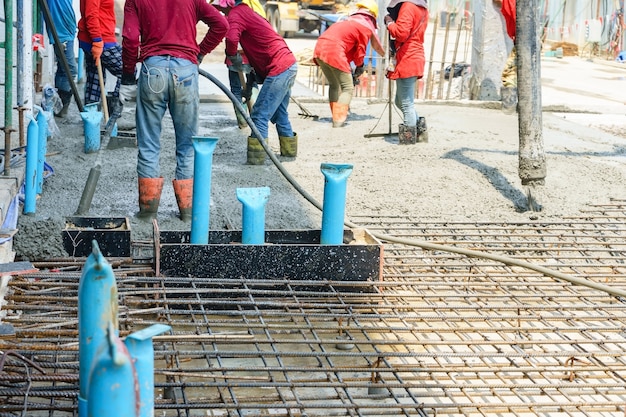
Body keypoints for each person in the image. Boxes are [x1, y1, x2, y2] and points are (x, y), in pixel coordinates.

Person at [121, 0, 228, 221]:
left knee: (149, 143)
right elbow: (221, 24)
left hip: (153, 71)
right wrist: (200, 53)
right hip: (185, 70)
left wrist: (128, 75)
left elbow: (131, 38)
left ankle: (148, 213)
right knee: (188, 145)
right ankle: (188, 215)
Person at [216, 0, 298, 165]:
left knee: (259, 114)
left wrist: (231, 55)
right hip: (288, 64)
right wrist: (251, 81)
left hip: (280, 67)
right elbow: (257, 54)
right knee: (279, 114)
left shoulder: (236, 13)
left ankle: (256, 160)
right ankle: (289, 153)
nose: (220, 12)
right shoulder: (246, 12)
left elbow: (232, 39)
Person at [313, 0, 384, 128]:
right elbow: (360, 51)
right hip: (334, 51)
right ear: (372, 17)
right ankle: (338, 121)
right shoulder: (364, 27)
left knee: (334, 85)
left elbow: (347, 45)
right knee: (348, 88)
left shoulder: (346, 21)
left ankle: (335, 116)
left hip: (320, 49)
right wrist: (360, 66)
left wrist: (354, 67)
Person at [383, 0, 428, 143]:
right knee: (399, 101)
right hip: (414, 55)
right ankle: (419, 130)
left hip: (408, 57)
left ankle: (409, 139)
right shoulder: (422, 8)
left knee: (407, 103)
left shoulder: (408, 6)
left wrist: (389, 23)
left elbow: (401, 34)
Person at [77, 0, 123, 118]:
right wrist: (97, 40)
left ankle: (91, 119)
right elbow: (91, 14)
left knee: (95, 80)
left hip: (93, 39)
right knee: (128, 71)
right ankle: (114, 113)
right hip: (101, 40)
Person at [224, 0, 265, 129]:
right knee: (252, 84)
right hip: (250, 54)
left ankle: (242, 121)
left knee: (236, 89)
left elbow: (230, 37)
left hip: (235, 54)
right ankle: (256, 119)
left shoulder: (232, 13)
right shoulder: (255, 8)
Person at [45, 0, 77, 118]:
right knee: (70, 70)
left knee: (63, 68)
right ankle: (61, 106)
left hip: (66, 29)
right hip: (61, 31)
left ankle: (58, 106)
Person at [496, 0, 517, 113]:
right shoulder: (507, 5)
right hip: (521, 41)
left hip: (523, 42)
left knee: (509, 74)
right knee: (515, 74)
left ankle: (509, 108)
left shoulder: (510, 4)